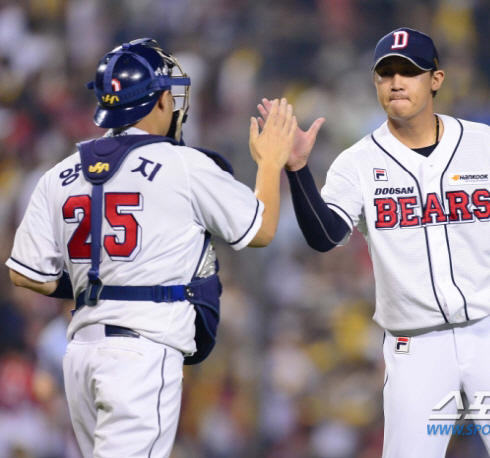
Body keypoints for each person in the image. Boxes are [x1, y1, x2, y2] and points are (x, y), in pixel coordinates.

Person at [259, 28, 490, 457]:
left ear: (436, 79)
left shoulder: (481, 142)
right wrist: (297, 170)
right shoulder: (358, 162)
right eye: (385, 73)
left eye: (408, 72)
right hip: (415, 344)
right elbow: (326, 236)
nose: (396, 82)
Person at [7, 38, 296, 458]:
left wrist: (104, 281)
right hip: (141, 351)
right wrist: (270, 164)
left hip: (81, 353)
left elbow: (26, 273)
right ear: (160, 99)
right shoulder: (183, 164)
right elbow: (261, 229)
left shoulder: (60, 173)